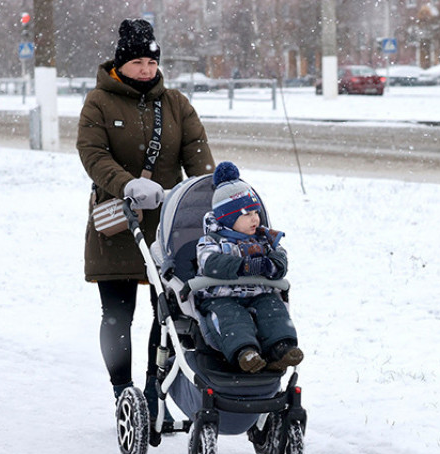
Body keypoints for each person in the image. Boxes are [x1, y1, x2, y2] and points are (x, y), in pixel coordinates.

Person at [77, 19, 215, 419]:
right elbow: (93, 154)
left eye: (151, 63)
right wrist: (126, 184)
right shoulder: (99, 103)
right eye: (137, 62)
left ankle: (156, 388)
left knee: (168, 314)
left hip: (169, 228)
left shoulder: (176, 104)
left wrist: (210, 190)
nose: (146, 70)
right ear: (121, 63)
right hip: (118, 224)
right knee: (118, 314)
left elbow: (197, 153)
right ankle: (124, 392)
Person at [195, 161, 302, 373]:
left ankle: (281, 348)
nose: (255, 218)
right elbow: (209, 263)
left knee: (273, 309)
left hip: (259, 293)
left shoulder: (263, 238)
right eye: (247, 214)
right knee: (232, 319)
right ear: (228, 217)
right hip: (221, 297)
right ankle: (246, 352)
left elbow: (281, 257)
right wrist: (244, 266)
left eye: (256, 212)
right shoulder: (211, 241)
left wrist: (271, 266)